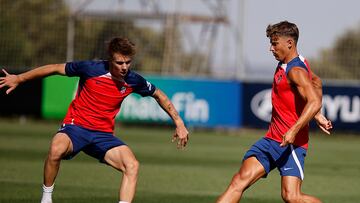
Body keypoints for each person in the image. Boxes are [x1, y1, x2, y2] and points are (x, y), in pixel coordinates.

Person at [0, 37, 189, 203]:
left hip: (103, 135)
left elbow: (159, 95)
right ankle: (46, 198)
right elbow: (55, 68)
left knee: (132, 165)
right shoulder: (91, 68)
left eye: (128, 62)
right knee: (56, 149)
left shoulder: (133, 80)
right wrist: (19, 78)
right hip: (76, 128)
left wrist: (179, 123)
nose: (124, 67)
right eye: (119, 62)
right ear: (110, 59)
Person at [217, 21, 333, 203]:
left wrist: (295, 129)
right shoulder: (291, 63)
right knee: (239, 181)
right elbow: (316, 82)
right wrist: (317, 115)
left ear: (290, 43)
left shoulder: (296, 70)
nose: (271, 48)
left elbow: (314, 99)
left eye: (274, 43)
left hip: (292, 144)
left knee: (291, 197)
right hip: (271, 140)